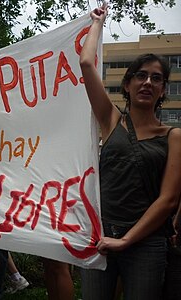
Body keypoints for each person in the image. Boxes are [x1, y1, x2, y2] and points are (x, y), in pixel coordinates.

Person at [79, 4, 181, 300]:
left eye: (156, 78)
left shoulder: (173, 136)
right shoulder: (110, 120)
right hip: (99, 235)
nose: (148, 82)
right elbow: (86, 63)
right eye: (140, 75)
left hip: (146, 245)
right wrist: (97, 22)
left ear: (163, 90)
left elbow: (169, 199)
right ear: (127, 84)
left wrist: (125, 241)